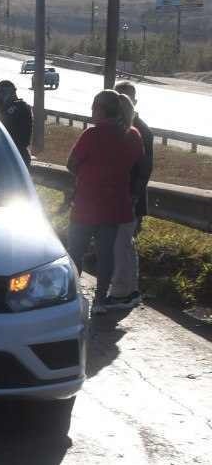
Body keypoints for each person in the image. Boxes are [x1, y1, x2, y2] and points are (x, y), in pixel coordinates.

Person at [62, 89, 144, 314]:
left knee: (74, 252)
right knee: (105, 255)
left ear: (101, 109)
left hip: (87, 204)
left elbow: (71, 163)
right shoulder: (133, 135)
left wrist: (86, 174)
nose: (91, 112)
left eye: (93, 107)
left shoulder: (92, 135)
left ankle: (70, 298)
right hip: (115, 205)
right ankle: (100, 301)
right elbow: (137, 164)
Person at [106, 81, 154, 310]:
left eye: (126, 98)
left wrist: (133, 196)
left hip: (130, 200)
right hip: (117, 198)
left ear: (134, 102)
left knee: (123, 245)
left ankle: (123, 292)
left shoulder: (141, 130)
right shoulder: (116, 127)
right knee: (123, 245)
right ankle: (128, 289)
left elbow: (143, 169)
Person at [0, 80, 33, 165]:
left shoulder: (20, 107)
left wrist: (0, 110)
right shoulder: (5, 108)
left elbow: (5, 124)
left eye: (0, 95)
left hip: (17, 154)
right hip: (4, 153)